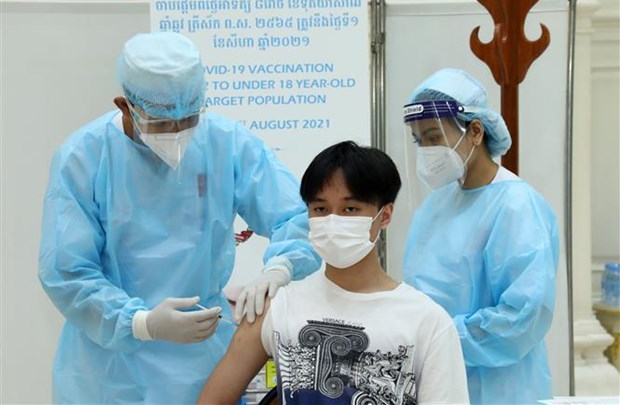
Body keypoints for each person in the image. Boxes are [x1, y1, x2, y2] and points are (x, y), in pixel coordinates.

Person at [38, 31, 320, 404]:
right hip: (109, 369)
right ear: (125, 106)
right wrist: (140, 323)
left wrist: (280, 268)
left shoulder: (226, 143)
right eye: (160, 124)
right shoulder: (84, 158)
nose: (176, 134)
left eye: (188, 120)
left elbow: (297, 216)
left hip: (199, 362)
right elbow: (66, 270)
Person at [197, 141, 470, 405]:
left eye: (350, 209)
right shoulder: (277, 307)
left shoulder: (427, 321)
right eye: (321, 209)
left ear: (385, 215)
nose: (333, 220)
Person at [402, 68, 559, 404]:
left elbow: (522, 317)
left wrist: (439, 338)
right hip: (438, 381)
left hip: (500, 389)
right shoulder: (436, 206)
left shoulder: (517, 206)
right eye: (419, 141)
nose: (426, 150)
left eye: (433, 137)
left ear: (474, 131)